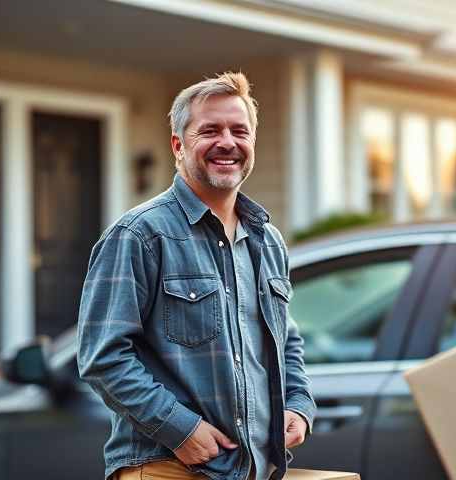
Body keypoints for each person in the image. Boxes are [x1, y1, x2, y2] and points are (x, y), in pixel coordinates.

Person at [77, 72, 315, 480]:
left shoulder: (268, 240)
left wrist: (297, 404)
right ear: (178, 145)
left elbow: (285, 340)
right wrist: (180, 429)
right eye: (210, 130)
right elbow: (104, 357)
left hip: (254, 470)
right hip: (168, 468)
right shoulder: (140, 235)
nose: (227, 142)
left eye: (239, 130)